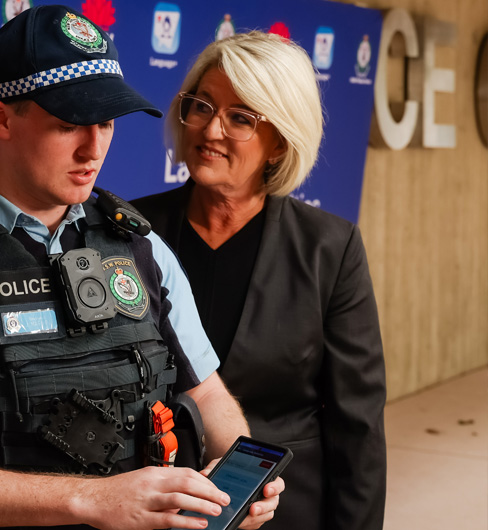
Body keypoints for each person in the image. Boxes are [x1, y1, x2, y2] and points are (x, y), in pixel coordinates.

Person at [0, 7, 283, 529]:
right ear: (1, 117)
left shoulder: (141, 247)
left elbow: (206, 391)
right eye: (68, 125)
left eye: (105, 123)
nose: (93, 148)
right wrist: (91, 499)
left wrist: (236, 468)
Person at [131, 31, 386, 530]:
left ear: (279, 143)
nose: (211, 129)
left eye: (240, 117)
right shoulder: (130, 233)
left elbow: (357, 427)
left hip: (284, 511)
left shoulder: (330, 249)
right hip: (154, 505)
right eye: (202, 106)